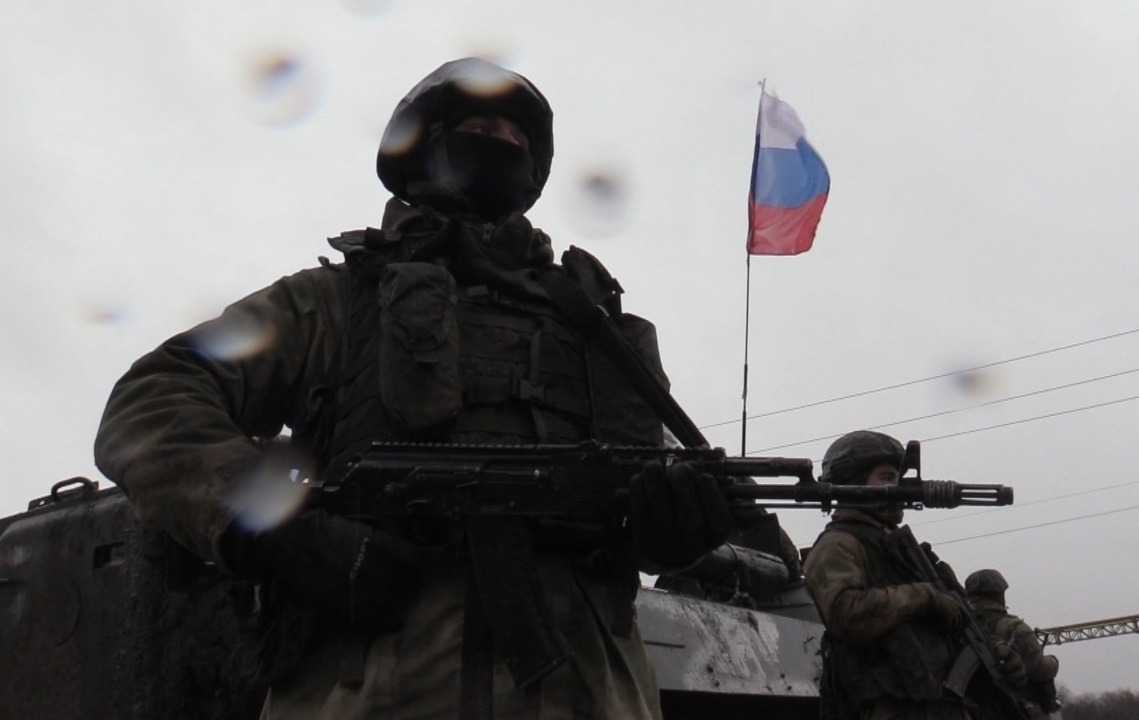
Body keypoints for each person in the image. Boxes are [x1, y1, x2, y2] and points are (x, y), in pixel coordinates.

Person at [94, 57, 738, 720]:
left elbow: (657, 484)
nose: (501, 145)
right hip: (368, 694)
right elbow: (150, 401)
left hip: (589, 695)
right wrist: (276, 529)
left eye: (517, 138)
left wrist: (680, 522)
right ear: (424, 150)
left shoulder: (592, 328)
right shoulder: (337, 301)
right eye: (480, 129)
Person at [802, 430, 974, 720]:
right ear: (854, 482)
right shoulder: (839, 544)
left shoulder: (897, 548)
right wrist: (924, 597)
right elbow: (846, 614)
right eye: (886, 477)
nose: (897, 486)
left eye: (897, 477)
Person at [966, 569, 1061, 719]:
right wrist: (1054, 661)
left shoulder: (963, 626)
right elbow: (1038, 670)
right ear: (1000, 594)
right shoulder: (1015, 628)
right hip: (1018, 709)